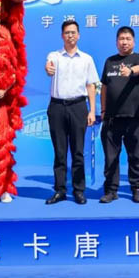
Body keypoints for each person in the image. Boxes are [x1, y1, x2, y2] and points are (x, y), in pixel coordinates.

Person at [45, 20, 98, 205]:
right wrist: (48, 68)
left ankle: (78, 190)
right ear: (62, 36)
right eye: (67, 32)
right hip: (57, 107)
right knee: (60, 152)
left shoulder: (86, 59)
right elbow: (49, 67)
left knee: (78, 152)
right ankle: (60, 190)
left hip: (78, 106)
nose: (70, 36)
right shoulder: (54, 55)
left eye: (73, 32)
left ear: (79, 35)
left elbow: (91, 85)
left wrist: (92, 111)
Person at [99, 26, 139, 203]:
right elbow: (104, 87)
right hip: (112, 117)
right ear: (116, 42)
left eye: (128, 39)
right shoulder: (110, 61)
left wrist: (130, 71)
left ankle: (137, 189)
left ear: (133, 41)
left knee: (135, 156)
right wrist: (103, 110)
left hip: (134, 117)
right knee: (111, 157)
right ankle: (111, 190)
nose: (124, 42)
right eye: (121, 39)